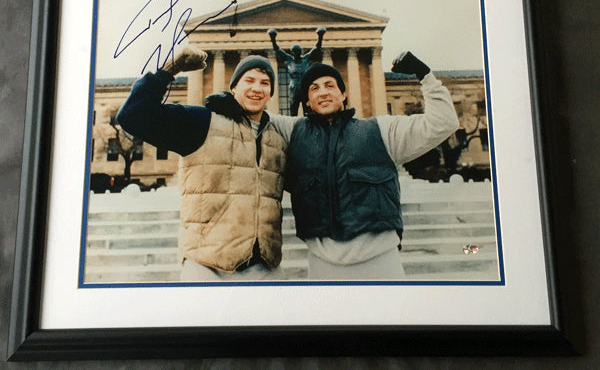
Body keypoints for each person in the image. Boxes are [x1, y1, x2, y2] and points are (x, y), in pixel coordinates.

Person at [268, 52, 459, 280]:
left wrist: (425, 75)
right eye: (314, 88)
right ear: (307, 101)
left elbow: (443, 122)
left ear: (344, 94)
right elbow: (253, 115)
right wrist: (226, 100)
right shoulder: (294, 131)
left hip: (380, 264)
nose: (323, 92)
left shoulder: (380, 130)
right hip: (323, 266)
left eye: (330, 85)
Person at [116, 46, 288, 281]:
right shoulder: (201, 122)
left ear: (271, 93)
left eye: (265, 83)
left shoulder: (277, 139)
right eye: (249, 80)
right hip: (207, 269)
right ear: (234, 86)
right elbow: (132, 116)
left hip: (265, 269)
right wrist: (169, 70)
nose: (257, 88)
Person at [268, 27, 326, 115]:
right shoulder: (288, 60)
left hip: (304, 88)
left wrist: (320, 36)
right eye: (294, 52)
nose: (296, 53)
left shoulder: (306, 59)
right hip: (293, 89)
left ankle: (308, 127)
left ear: (300, 52)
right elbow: (277, 49)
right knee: (293, 111)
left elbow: (317, 48)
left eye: (298, 51)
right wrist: (273, 38)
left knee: (307, 112)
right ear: (292, 52)